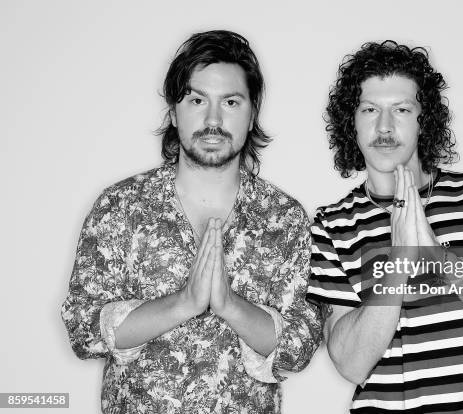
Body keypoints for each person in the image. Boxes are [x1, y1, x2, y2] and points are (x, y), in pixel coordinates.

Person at [61, 30, 323, 414]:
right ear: (174, 111)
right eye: (197, 99)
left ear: (252, 115)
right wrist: (183, 303)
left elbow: (298, 348)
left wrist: (229, 305)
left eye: (231, 102)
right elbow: (83, 328)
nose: (213, 119)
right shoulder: (121, 207)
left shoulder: (284, 219)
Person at [307, 40, 463, 413]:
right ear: (350, 122)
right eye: (369, 109)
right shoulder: (331, 226)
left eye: (401, 109)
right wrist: (400, 262)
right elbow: (351, 364)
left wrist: (438, 256)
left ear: (424, 120)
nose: (384, 126)